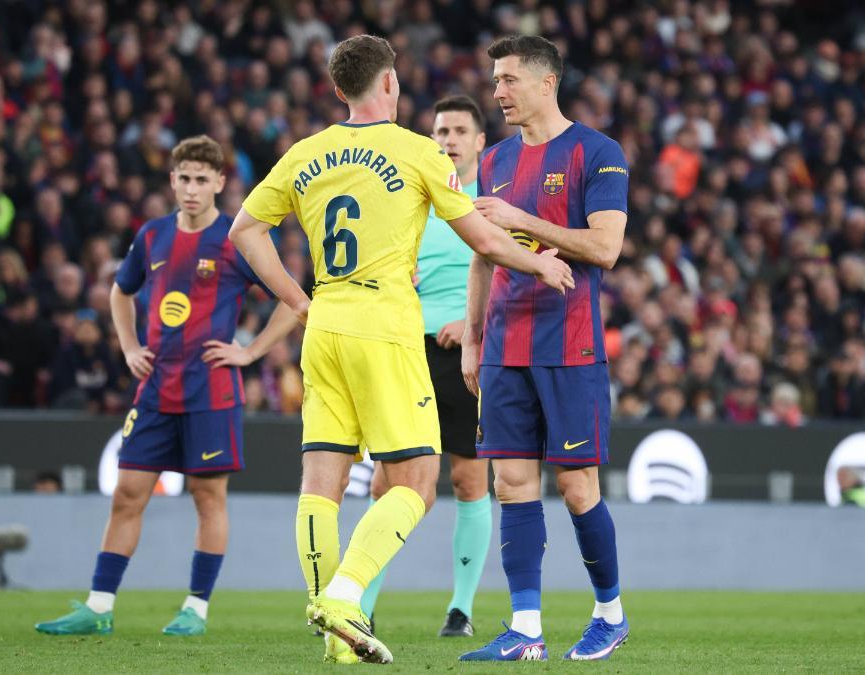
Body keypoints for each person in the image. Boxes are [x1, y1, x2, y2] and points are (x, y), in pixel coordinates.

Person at [229, 35, 573, 665]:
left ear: (339, 91)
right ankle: (345, 596)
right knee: (416, 480)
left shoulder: (307, 153)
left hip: (325, 318)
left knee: (321, 481)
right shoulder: (417, 153)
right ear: (389, 83)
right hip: (384, 325)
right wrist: (541, 266)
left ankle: (336, 639)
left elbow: (244, 231)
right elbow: (486, 241)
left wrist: (297, 298)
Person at [34, 135, 298, 638]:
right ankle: (98, 606)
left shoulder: (237, 238)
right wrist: (130, 347)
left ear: (220, 182)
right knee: (128, 493)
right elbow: (119, 292)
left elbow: (292, 299)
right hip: (156, 388)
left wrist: (249, 351)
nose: (192, 189)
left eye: (202, 179)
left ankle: (195, 609)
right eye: (184, 179)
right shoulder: (152, 236)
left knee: (207, 497)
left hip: (212, 391)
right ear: (172, 181)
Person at [459, 35, 630, 662]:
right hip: (505, 345)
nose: (497, 92)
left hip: (570, 346)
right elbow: (483, 257)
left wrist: (521, 221)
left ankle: (609, 614)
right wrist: (473, 339)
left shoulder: (597, 153)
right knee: (510, 484)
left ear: (545, 82)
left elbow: (606, 249)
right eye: (496, 80)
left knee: (579, 487)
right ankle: (525, 629)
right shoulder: (496, 160)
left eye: (507, 80)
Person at [360, 95, 493, 639]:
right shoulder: (410, 196)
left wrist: (472, 324)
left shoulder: (493, 204)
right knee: (387, 485)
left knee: (467, 479)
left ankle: (460, 610)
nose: (449, 140)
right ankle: (361, 607)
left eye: (460, 130)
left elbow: (512, 271)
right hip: (406, 349)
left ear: (480, 141)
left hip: (465, 355)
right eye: (441, 130)